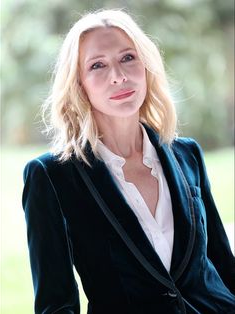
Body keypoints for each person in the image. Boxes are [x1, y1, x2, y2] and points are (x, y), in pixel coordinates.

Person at [22, 9, 235, 314]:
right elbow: (56, 305)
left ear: (146, 67)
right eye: (97, 65)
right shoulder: (51, 176)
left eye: (128, 58)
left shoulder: (187, 155)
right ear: (79, 84)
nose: (119, 76)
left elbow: (223, 264)